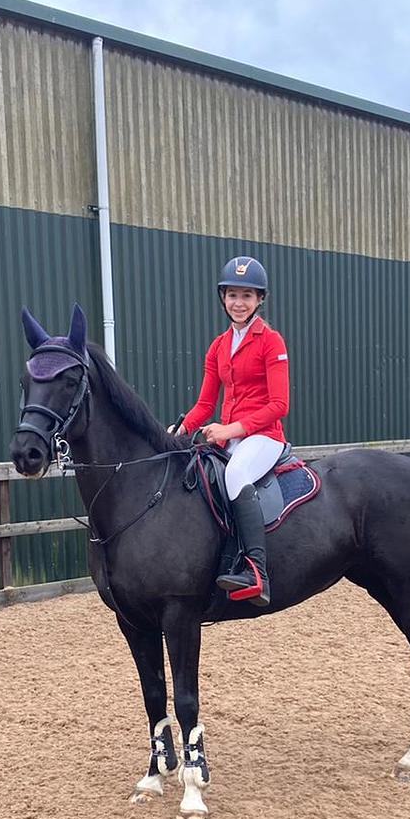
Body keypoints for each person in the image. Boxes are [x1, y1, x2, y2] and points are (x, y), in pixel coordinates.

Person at [171, 255, 290, 608]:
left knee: (236, 474)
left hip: (265, 437)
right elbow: (205, 405)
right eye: (233, 295)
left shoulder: (272, 342)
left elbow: (280, 404)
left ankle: (256, 570)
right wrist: (178, 430)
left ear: (260, 300)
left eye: (247, 296)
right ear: (223, 298)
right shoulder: (219, 346)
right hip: (231, 437)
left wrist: (232, 428)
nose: (239, 303)